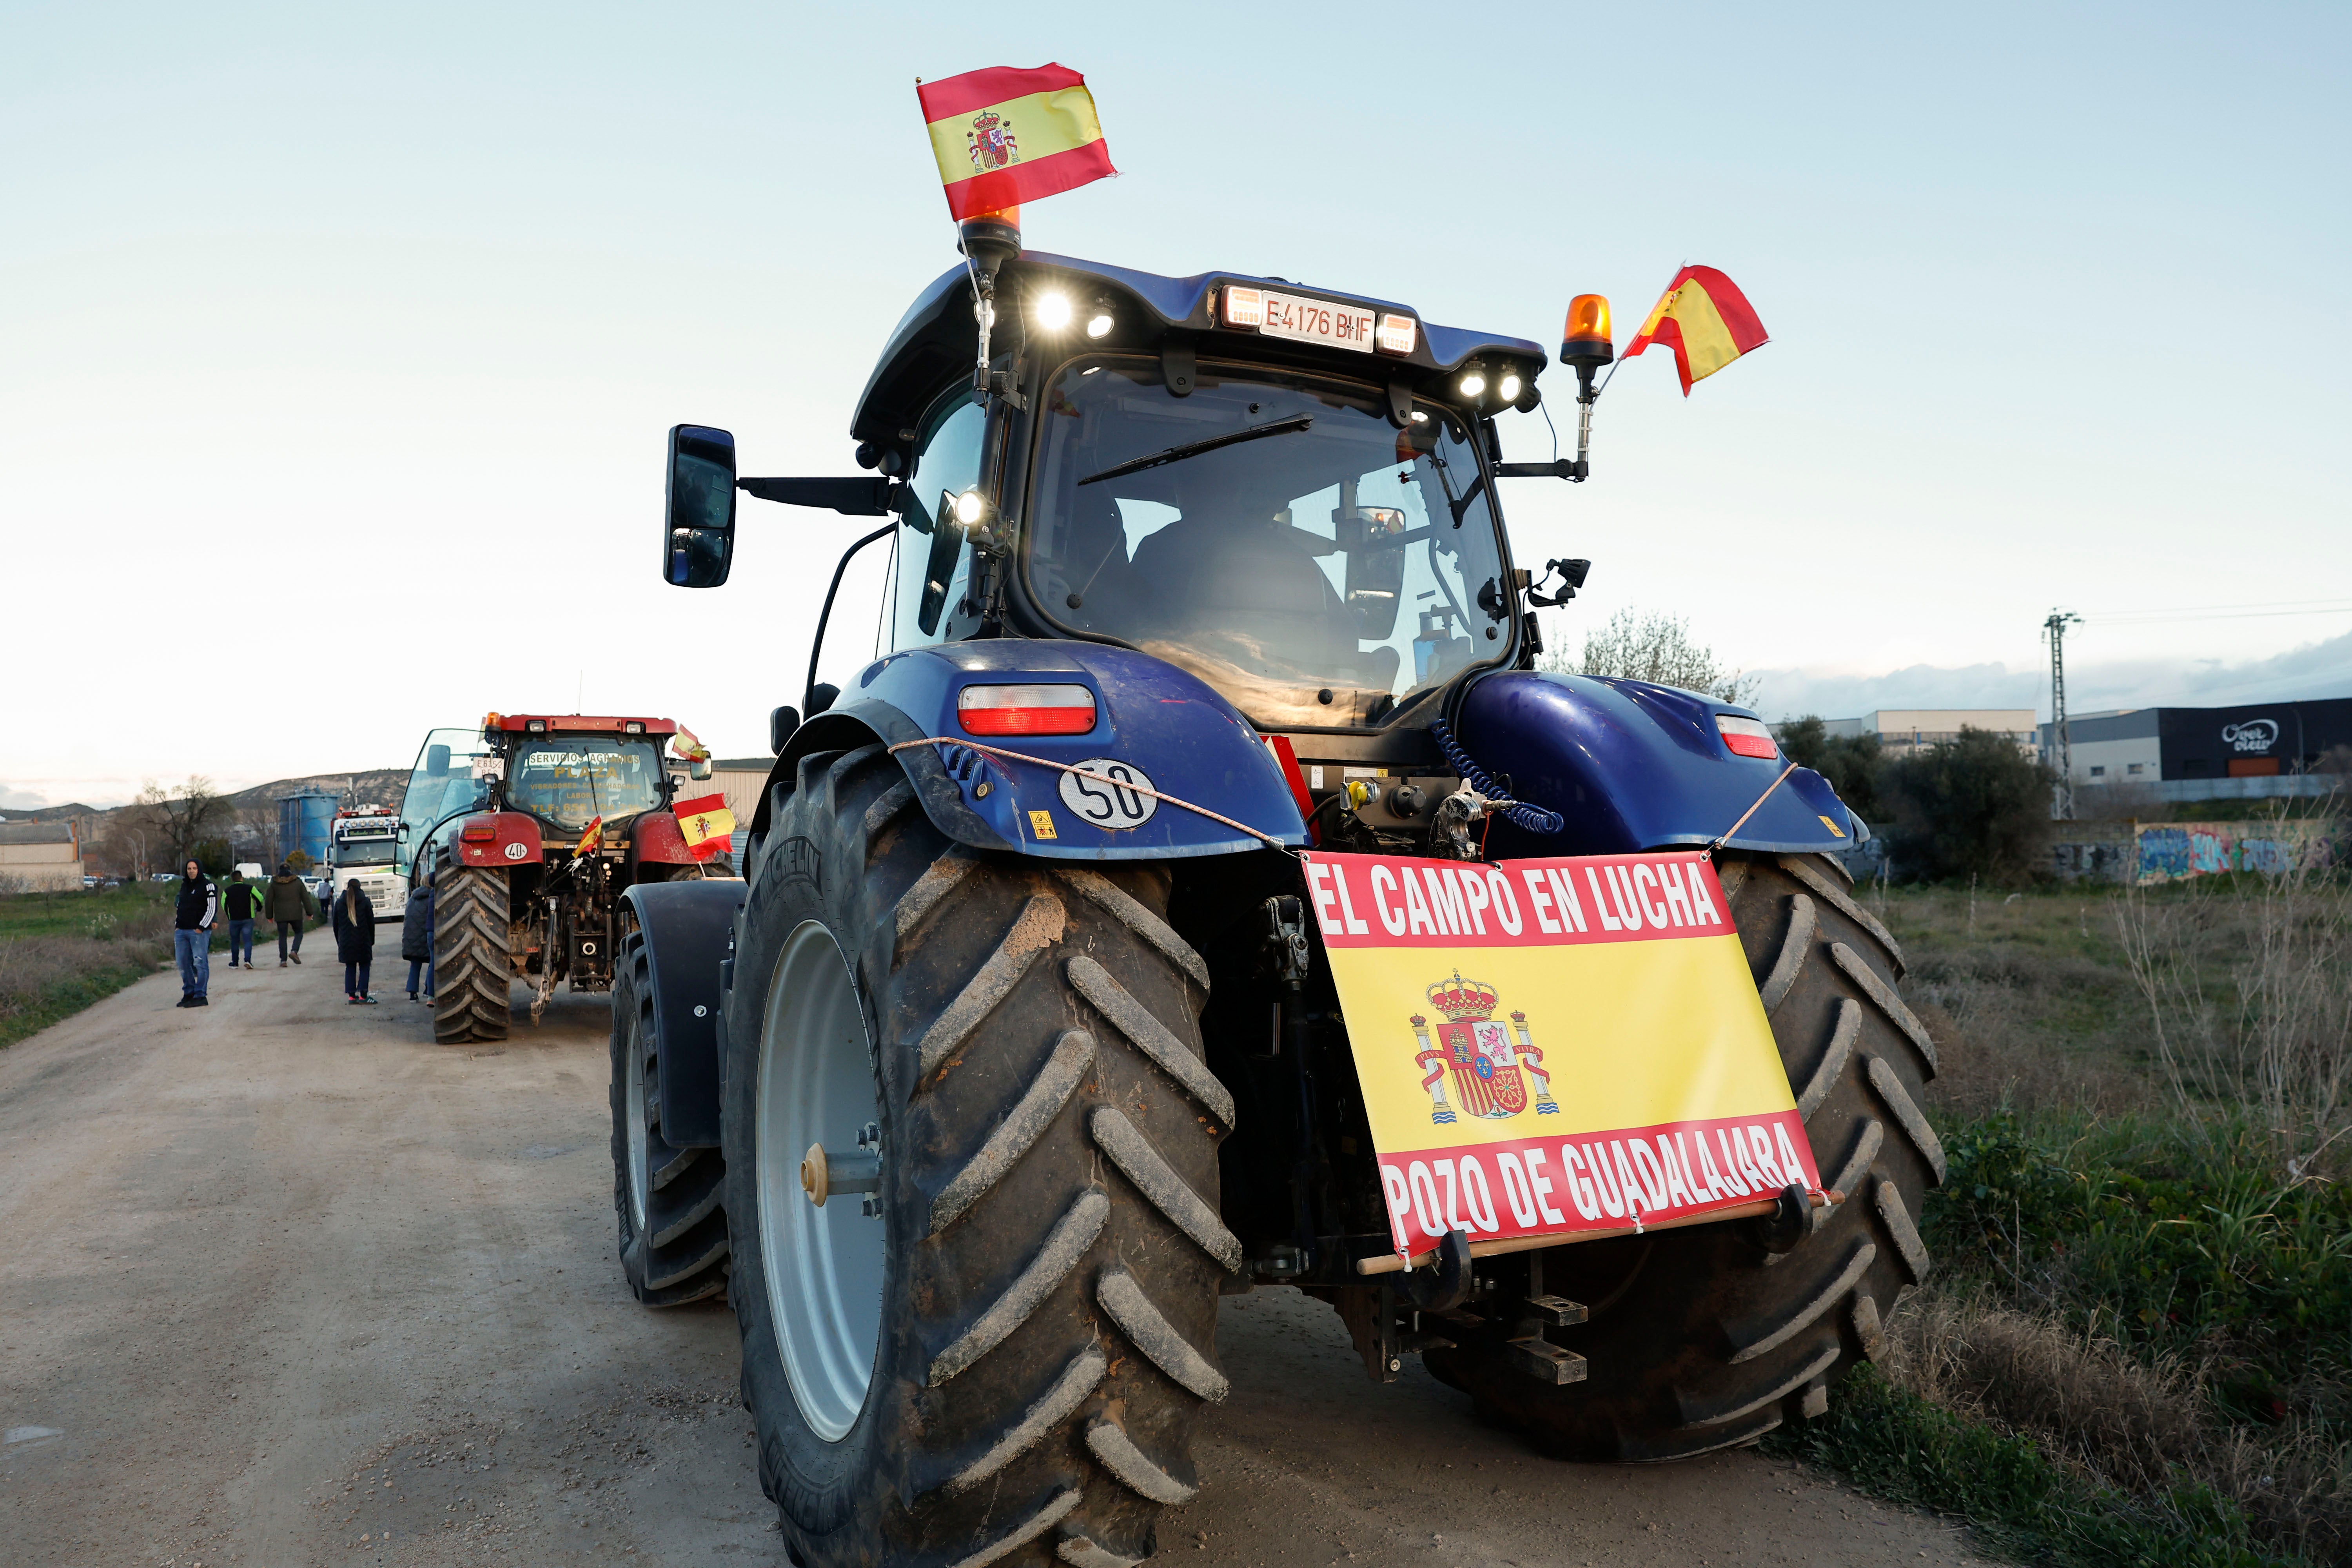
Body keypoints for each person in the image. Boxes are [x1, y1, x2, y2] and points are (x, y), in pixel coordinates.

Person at [172, 859, 216, 1007]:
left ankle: (200, 995)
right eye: (189, 868)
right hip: (181, 931)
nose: (191, 871)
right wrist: (177, 926)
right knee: (183, 964)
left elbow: (212, 908)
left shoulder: (208, 886)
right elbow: (180, 906)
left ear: (200, 870)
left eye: (195, 868)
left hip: (198, 932)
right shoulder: (185, 886)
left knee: (200, 963)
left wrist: (201, 928)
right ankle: (189, 993)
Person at [332, 877, 378, 1004]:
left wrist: (340, 942)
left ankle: (352, 996)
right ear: (360, 888)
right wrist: (371, 941)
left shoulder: (339, 903)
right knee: (365, 966)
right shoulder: (365, 902)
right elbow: (371, 924)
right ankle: (364, 995)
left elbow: (336, 926)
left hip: (346, 942)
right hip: (363, 941)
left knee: (350, 967)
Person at [265, 861, 316, 965]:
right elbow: (305, 898)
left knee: (282, 936)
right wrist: (309, 912)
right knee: (299, 933)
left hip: (281, 915)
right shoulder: (297, 882)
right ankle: (294, 951)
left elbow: (269, 900)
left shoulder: (274, 883)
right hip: (296, 914)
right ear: (290, 871)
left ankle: (283, 960)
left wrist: (269, 916)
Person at [221, 870, 264, 969]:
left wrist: (229, 915)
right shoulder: (250, 888)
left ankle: (235, 963)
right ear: (242, 878)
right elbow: (260, 898)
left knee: (235, 941)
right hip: (248, 918)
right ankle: (248, 961)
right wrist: (259, 908)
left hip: (234, 920)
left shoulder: (227, 891)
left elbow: (223, 904)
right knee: (248, 940)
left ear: (232, 880)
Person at [400, 882, 434, 1004]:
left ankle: (413, 994)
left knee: (415, 965)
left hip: (413, 939)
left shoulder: (413, 898)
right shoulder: (432, 898)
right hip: (427, 936)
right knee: (432, 963)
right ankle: (428, 990)